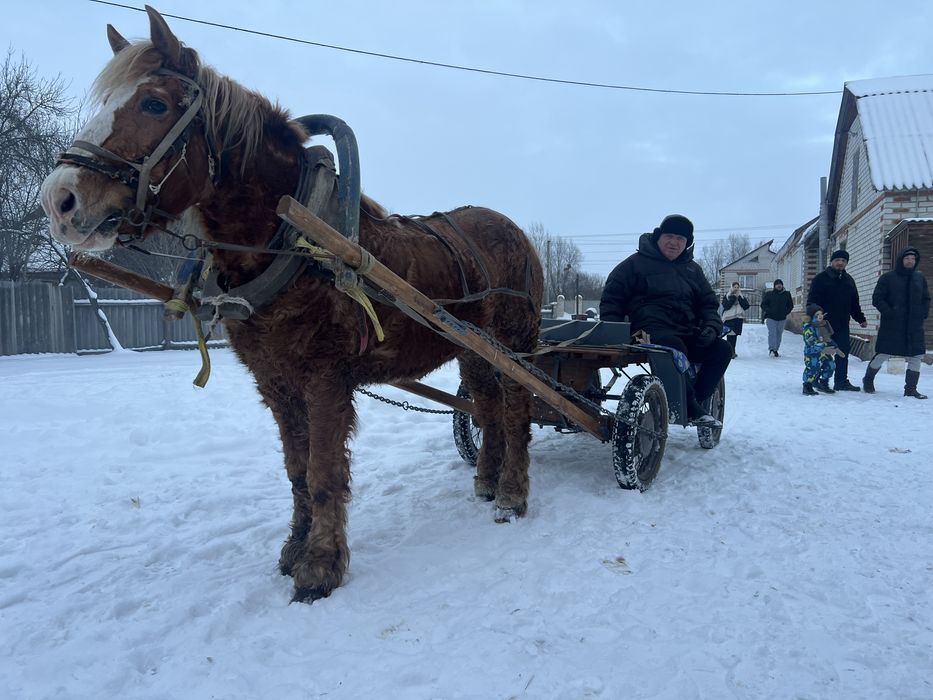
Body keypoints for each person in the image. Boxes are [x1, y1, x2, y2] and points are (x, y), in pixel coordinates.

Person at [599, 214, 732, 426]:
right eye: (669, 236)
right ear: (658, 236)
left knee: (722, 350)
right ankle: (687, 407)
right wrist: (613, 331)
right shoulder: (633, 265)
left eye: (681, 238)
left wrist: (711, 328)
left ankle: (693, 401)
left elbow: (708, 304)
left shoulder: (693, 270)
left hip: (688, 331)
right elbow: (611, 300)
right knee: (672, 347)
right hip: (648, 332)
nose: (674, 242)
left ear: (687, 243)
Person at [862, 247, 931, 399]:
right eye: (907, 258)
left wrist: (923, 313)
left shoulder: (919, 278)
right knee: (883, 353)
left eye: (913, 259)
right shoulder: (888, 278)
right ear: (901, 260)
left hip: (914, 324)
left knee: (916, 355)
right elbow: (877, 298)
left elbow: (926, 298)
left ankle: (911, 389)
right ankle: (868, 380)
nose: (910, 261)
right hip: (893, 324)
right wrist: (890, 312)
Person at [806, 249, 867, 390]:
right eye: (837, 260)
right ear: (832, 261)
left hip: (842, 323)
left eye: (843, 261)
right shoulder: (820, 279)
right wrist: (815, 318)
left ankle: (841, 381)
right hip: (824, 324)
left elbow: (854, 303)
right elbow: (812, 301)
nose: (840, 263)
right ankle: (819, 379)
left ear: (846, 263)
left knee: (843, 351)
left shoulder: (849, 280)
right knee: (823, 352)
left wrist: (860, 319)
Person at [801, 304, 845, 395]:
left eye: (821, 313)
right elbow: (811, 343)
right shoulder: (808, 328)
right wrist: (823, 348)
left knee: (830, 365)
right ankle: (807, 385)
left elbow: (828, 339)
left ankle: (823, 383)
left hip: (825, 352)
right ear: (811, 316)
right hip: (812, 353)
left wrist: (836, 348)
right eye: (817, 314)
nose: (820, 316)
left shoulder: (823, 326)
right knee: (813, 368)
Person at [761, 278, 794, 357]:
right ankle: (772, 349)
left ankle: (776, 349)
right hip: (771, 318)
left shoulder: (787, 294)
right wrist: (769, 311)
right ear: (774, 286)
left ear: (782, 285)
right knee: (772, 333)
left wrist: (785, 312)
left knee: (779, 334)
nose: (779, 285)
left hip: (782, 318)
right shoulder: (769, 294)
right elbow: (763, 304)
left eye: (780, 284)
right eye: (777, 284)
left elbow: (790, 305)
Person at [720, 282, 750, 358]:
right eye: (734, 287)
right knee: (730, 335)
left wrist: (739, 298)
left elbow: (746, 306)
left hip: (738, 318)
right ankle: (730, 352)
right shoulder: (727, 296)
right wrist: (733, 298)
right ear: (731, 287)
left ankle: (732, 351)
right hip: (729, 318)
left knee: (734, 335)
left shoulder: (741, 296)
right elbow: (726, 306)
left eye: (737, 287)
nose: (736, 289)